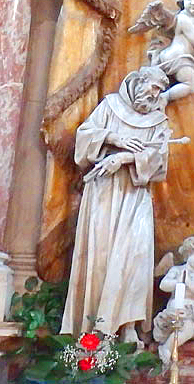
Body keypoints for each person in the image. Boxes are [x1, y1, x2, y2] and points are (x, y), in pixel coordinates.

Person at [61, 66, 174, 344]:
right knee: (102, 256)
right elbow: (84, 139)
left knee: (135, 256)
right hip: (103, 194)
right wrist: (113, 139)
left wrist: (123, 159)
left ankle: (128, 327)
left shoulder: (158, 122)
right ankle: (95, 330)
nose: (154, 95)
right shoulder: (110, 106)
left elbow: (159, 160)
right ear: (138, 82)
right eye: (153, 88)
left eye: (159, 91)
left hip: (135, 195)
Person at [153, 234, 194, 365]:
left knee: (190, 327)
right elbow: (163, 285)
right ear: (190, 251)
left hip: (193, 312)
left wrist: (187, 281)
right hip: (175, 309)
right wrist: (178, 281)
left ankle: (167, 347)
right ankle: (166, 348)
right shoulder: (176, 270)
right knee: (185, 327)